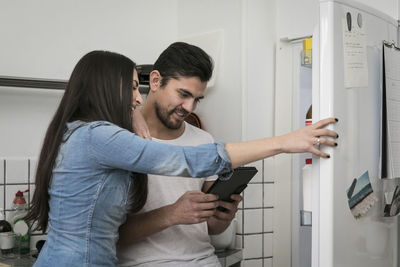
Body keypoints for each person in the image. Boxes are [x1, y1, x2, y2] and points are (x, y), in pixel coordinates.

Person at [27, 50, 338, 267]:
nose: (139, 98)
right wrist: (284, 143)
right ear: (107, 88)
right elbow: (188, 161)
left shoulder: (78, 132)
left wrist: (132, 115)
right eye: (134, 88)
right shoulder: (98, 137)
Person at [116, 42, 244, 267]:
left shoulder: (203, 140)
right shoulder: (119, 139)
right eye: (183, 94)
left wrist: (222, 217)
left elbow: (212, 229)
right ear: (155, 81)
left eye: (196, 99)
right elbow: (108, 232)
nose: (189, 107)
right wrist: (172, 214)